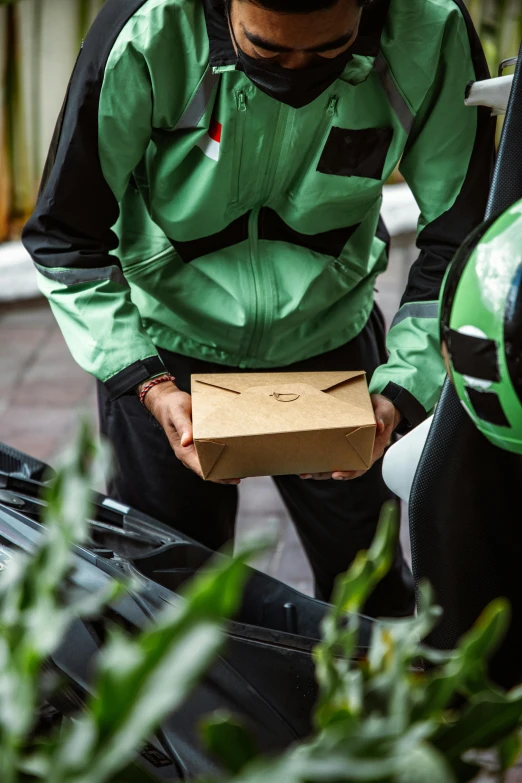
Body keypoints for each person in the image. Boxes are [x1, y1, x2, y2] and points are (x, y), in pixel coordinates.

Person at [22, 0, 495, 617]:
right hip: (169, 347)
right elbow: (67, 241)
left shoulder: (430, 28)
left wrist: (403, 391)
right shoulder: (148, 29)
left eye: (331, 51)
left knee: (372, 589)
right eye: (266, 51)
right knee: (170, 603)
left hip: (331, 341)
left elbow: (461, 237)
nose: (296, 72)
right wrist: (148, 384)